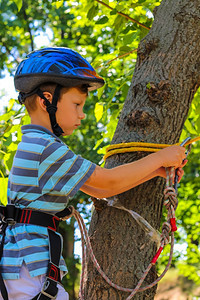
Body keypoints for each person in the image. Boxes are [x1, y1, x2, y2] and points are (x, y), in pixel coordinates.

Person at [0, 47, 186, 300]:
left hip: (25, 267)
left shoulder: (36, 144)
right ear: (46, 101)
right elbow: (108, 181)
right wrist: (162, 156)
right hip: (28, 271)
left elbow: (100, 189)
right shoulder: (46, 149)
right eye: (76, 104)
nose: (82, 114)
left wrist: (156, 171)